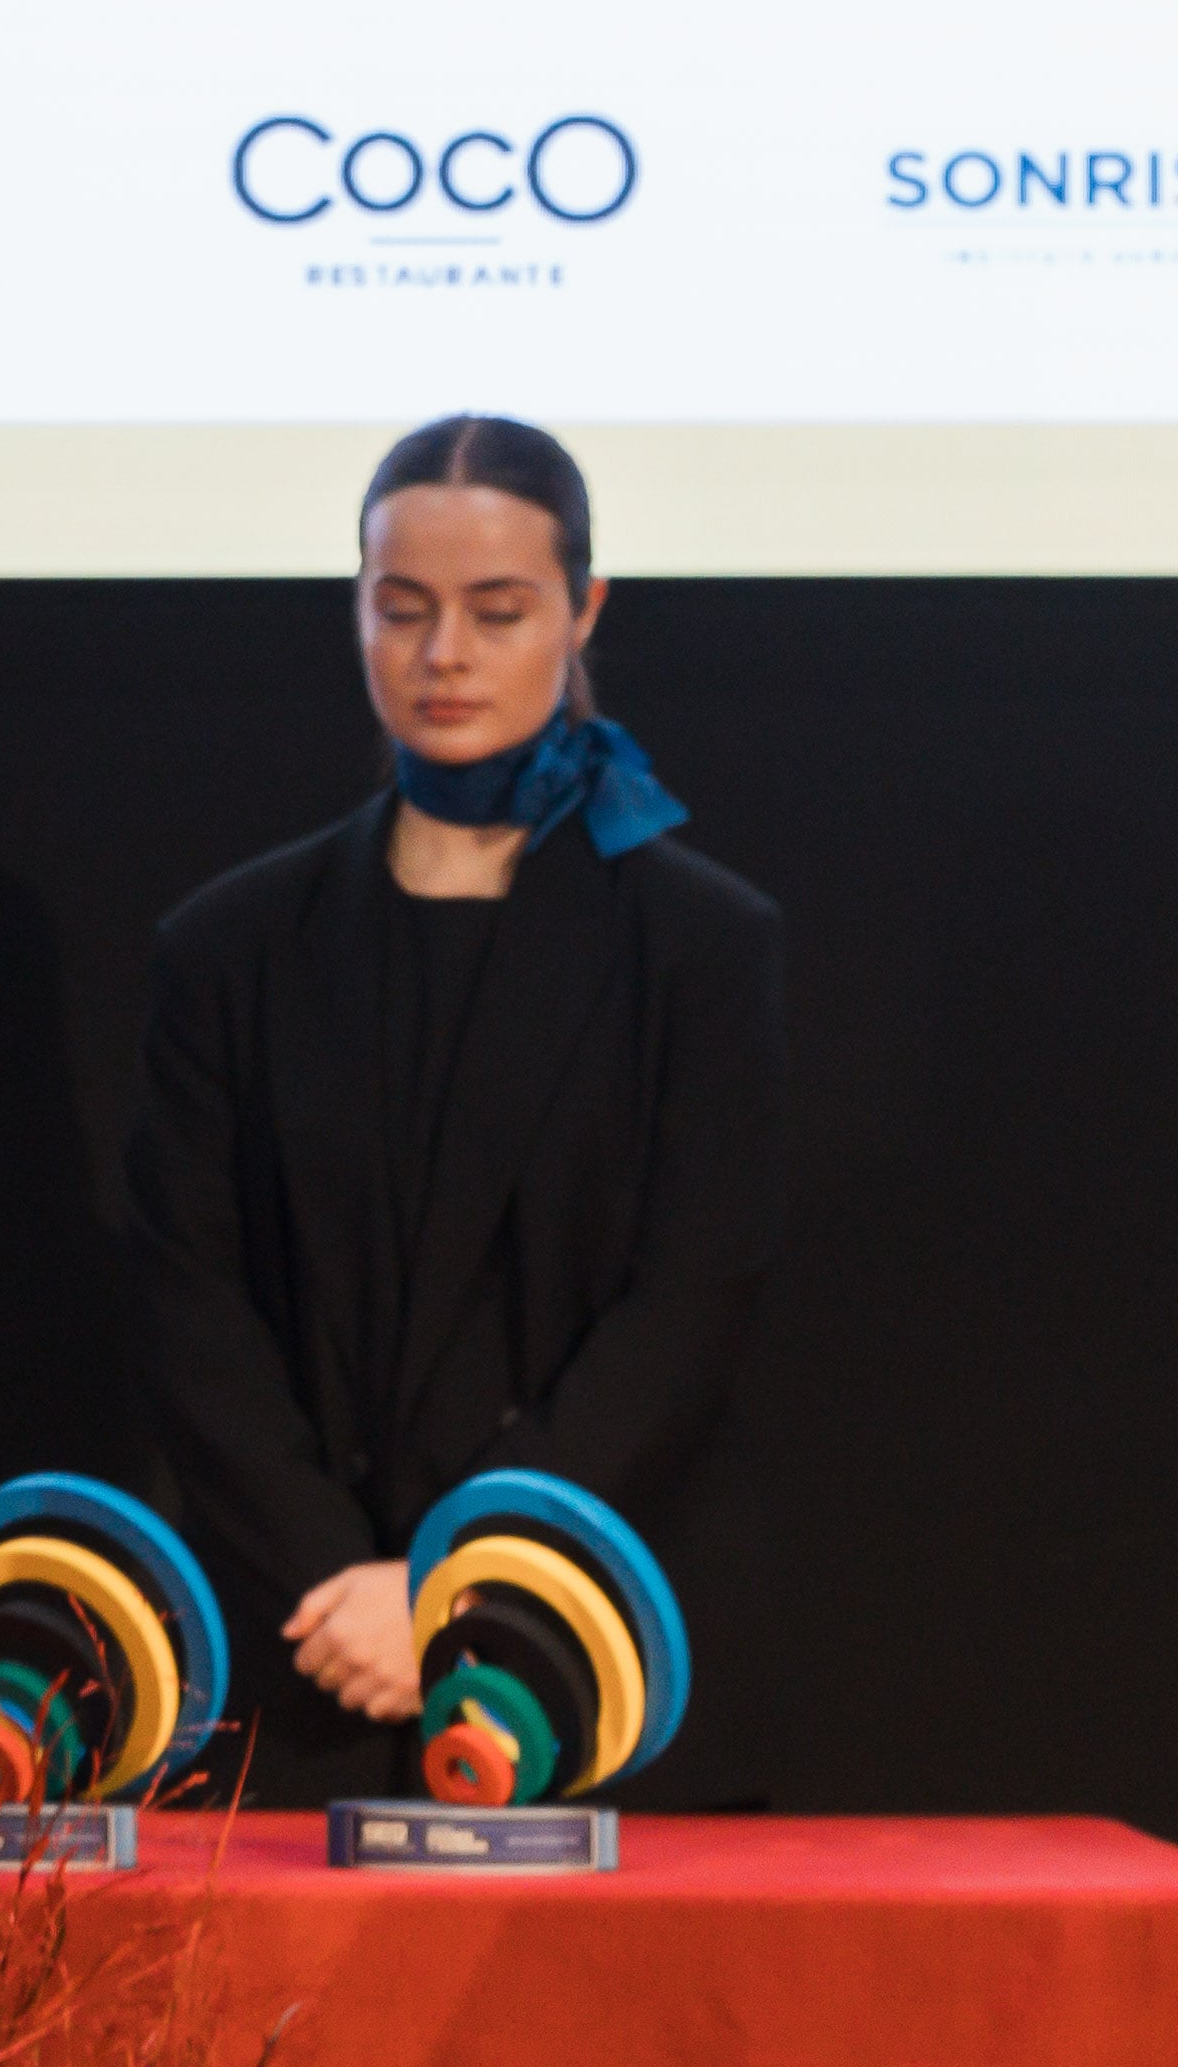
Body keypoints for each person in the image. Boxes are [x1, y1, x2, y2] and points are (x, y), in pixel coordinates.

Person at [114, 415, 786, 1804]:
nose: (443, 654)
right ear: (354, 605)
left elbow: (688, 1301)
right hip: (305, 1651)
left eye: (496, 610)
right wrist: (341, 1582)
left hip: (591, 1647)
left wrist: (449, 1577)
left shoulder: (698, 945)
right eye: (400, 607)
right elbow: (191, 1301)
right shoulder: (228, 944)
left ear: (581, 609)